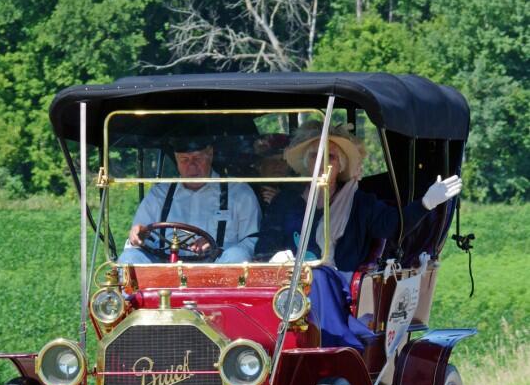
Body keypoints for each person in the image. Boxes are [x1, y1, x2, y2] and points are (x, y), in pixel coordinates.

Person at [255, 120, 462, 348]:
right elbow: (266, 244)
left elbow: (392, 226)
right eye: (315, 156)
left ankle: (331, 342)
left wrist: (425, 203)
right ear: (306, 162)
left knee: (319, 278)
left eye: (330, 157)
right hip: (284, 281)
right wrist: (276, 259)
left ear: (341, 165)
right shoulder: (285, 202)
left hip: (336, 281)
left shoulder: (361, 202)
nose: (322, 163)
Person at [118, 133, 261, 264]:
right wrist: (138, 235)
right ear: (176, 159)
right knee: (129, 257)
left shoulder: (239, 192)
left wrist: (218, 248)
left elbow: (252, 241)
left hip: (218, 273)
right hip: (164, 273)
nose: (191, 166)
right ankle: (125, 293)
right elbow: (138, 239)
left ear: (210, 154)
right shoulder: (159, 194)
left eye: (197, 159)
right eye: (184, 160)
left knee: (237, 255)